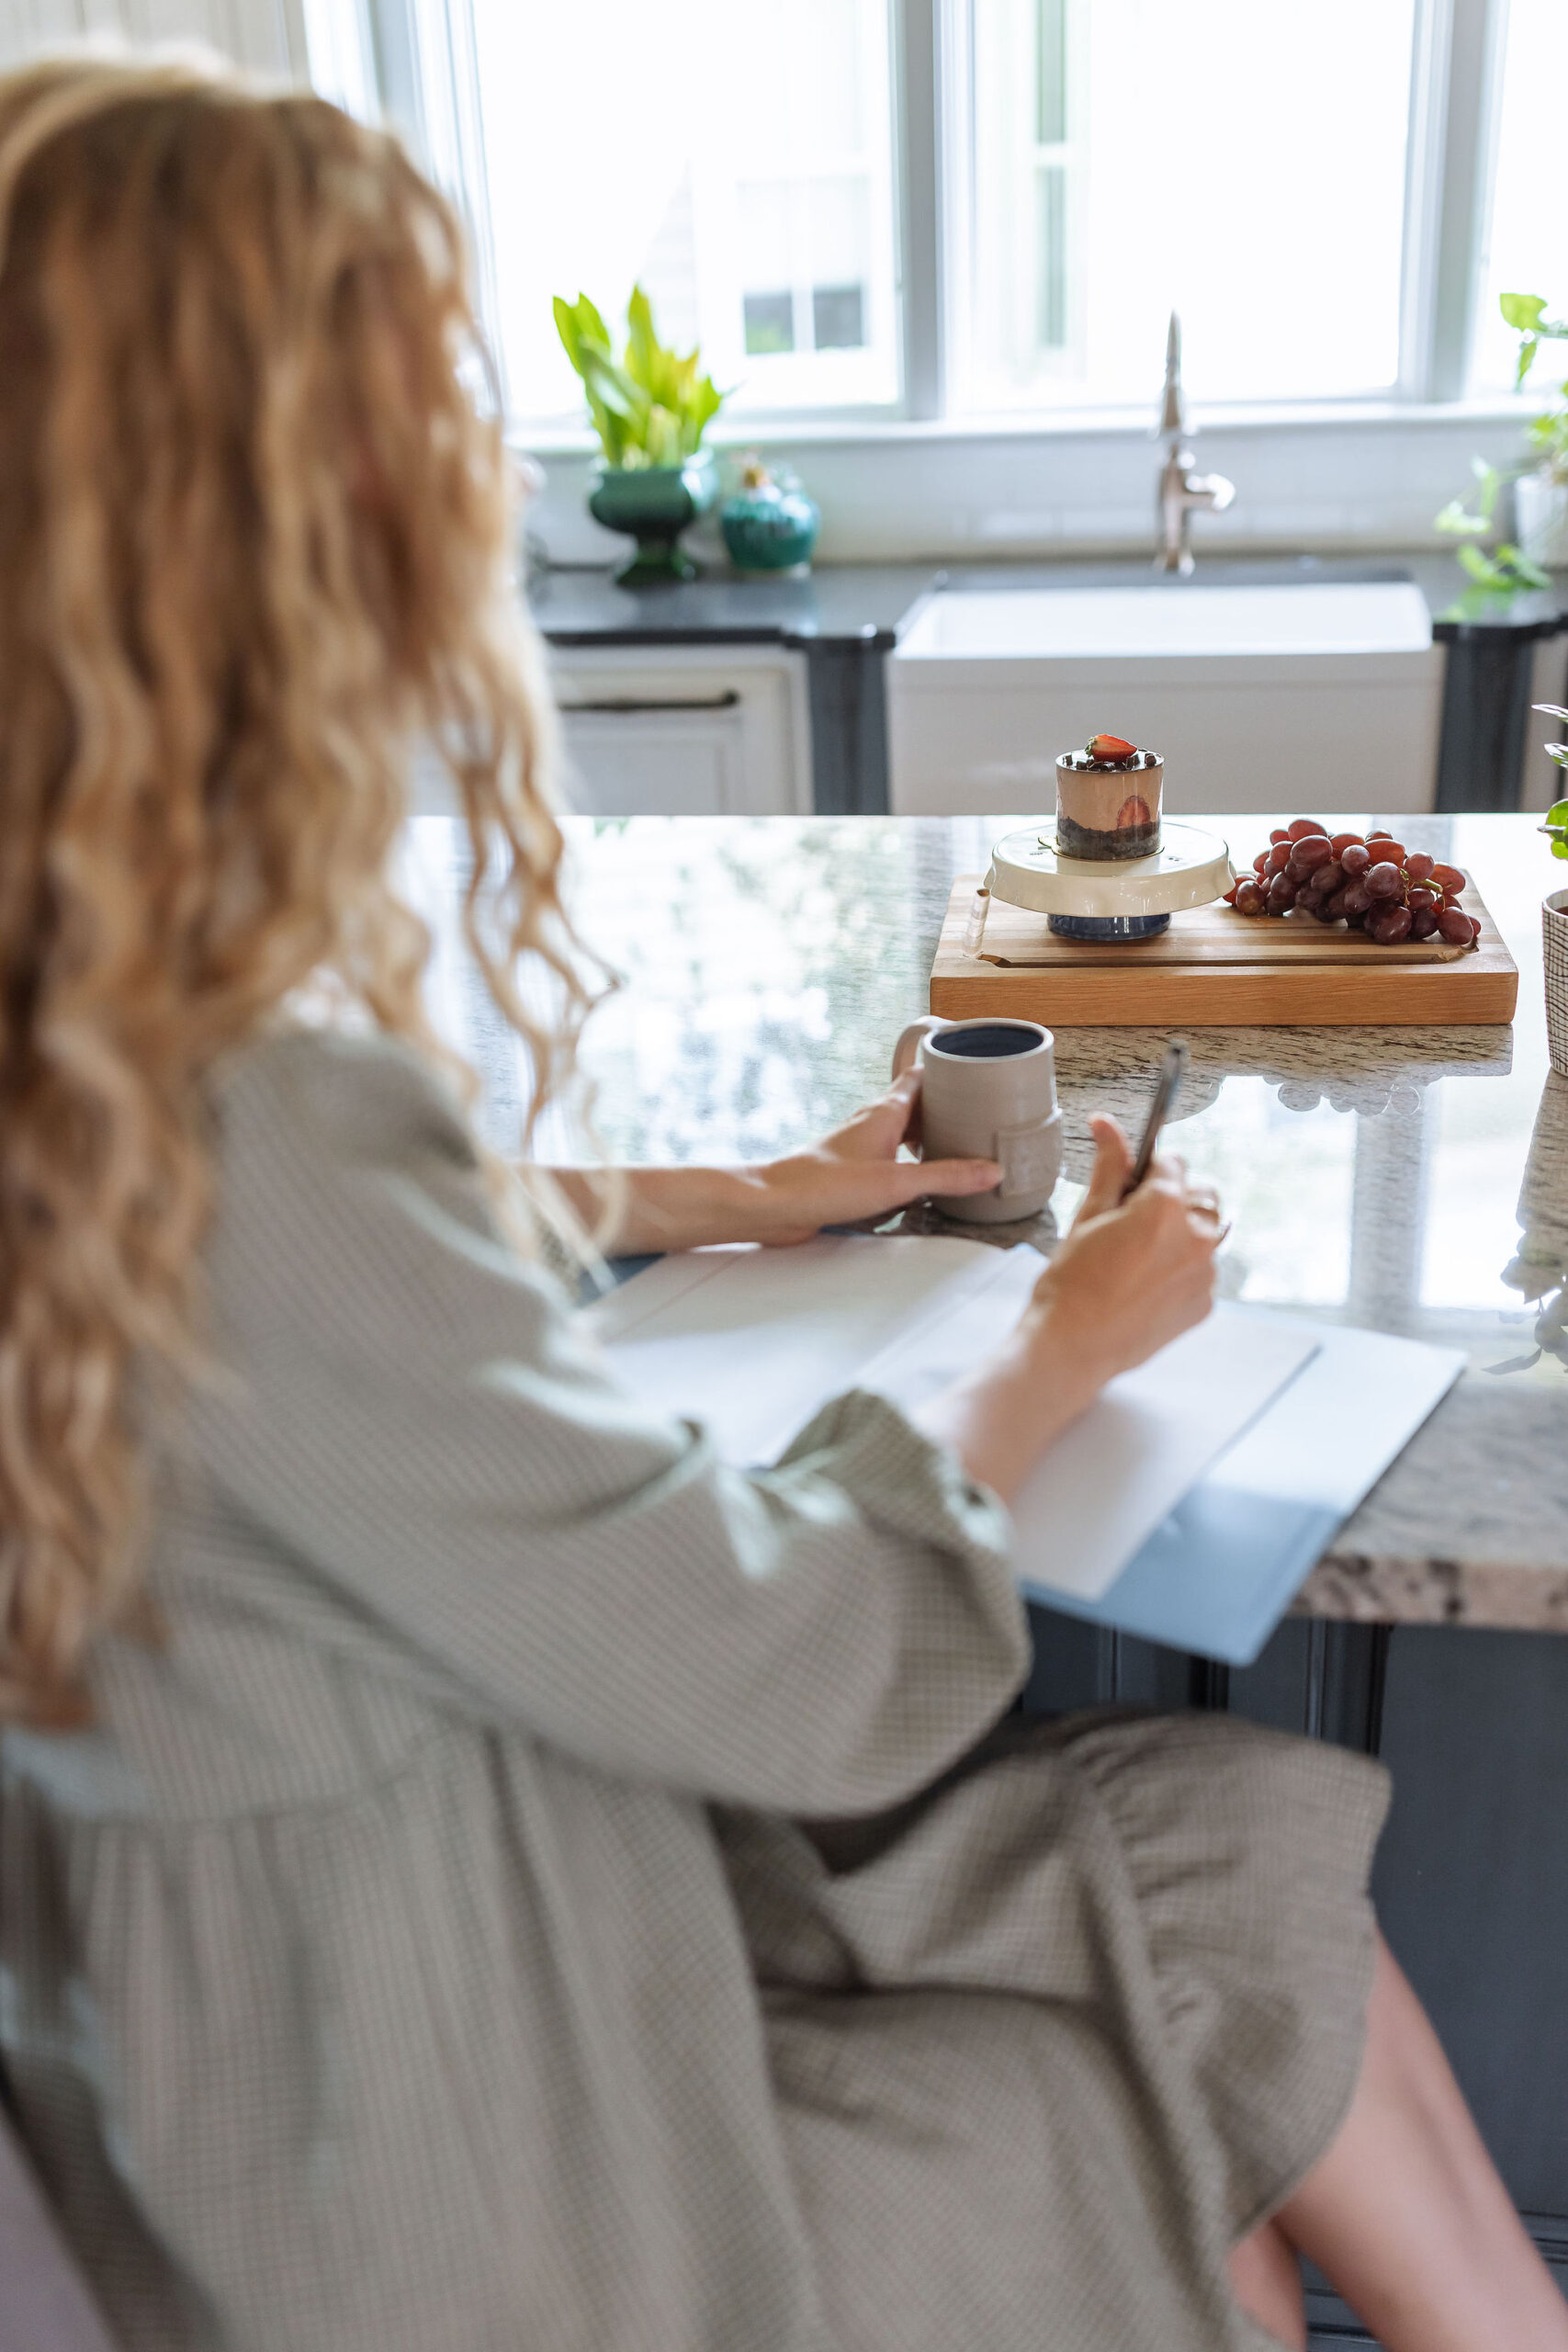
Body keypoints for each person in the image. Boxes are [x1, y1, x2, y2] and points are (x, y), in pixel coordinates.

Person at [0, 53, 1560, 2352]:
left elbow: (255, 1304)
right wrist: (1062, 1343)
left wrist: (732, 1190)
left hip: (254, 2070)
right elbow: (809, 1674)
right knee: (1175, 1973)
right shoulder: (257, 1120)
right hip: (483, 2176)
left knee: (1202, 1906)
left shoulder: (100, 1073)